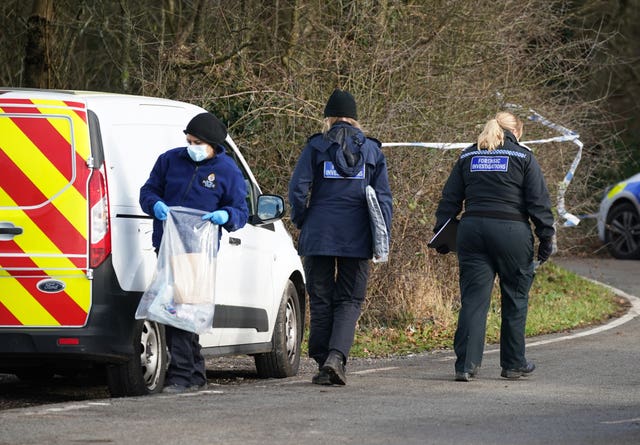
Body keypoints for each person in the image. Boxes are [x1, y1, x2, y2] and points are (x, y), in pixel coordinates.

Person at [432, 111, 555, 382]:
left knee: (473, 301)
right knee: (515, 297)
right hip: (511, 232)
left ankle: (465, 365)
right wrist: (546, 237)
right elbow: (538, 203)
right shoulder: (523, 157)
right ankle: (513, 364)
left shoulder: (467, 156)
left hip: (472, 231)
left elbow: (450, 199)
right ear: (517, 132)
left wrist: (441, 232)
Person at [288, 89, 393, 386]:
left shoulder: (316, 147)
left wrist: (302, 220)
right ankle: (336, 358)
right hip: (358, 233)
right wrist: (381, 237)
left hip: (319, 231)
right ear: (356, 118)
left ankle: (323, 361)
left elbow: (297, 190)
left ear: (329, 118)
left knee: (321, 298)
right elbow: (384, 199)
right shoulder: (372, 151)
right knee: (349, 298)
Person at [139, 112, 249, 393]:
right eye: (189, 140)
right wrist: (155, 206)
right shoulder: (169, 160)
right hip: (166, 246)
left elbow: (241, 210)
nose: (191, 146)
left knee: (182, 313)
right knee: (178, 310)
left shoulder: (227, 170)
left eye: (197, 142)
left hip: (198, 251)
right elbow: (148, 192)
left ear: (212, 145)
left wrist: (226, 215)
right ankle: (194, 374)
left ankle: (180, 375)